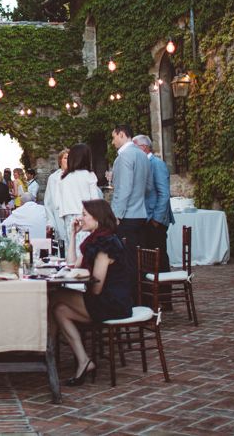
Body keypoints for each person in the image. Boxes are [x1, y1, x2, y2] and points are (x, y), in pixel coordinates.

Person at [52, 199, 132, 386]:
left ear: (98, 218)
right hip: (101, 299)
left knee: (54, 297)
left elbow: (96, 286)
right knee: (59, 310)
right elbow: (72, 264)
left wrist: (82, 273)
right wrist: (72, 235)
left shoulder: (106, 243)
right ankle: (83, 360)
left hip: (112, 302)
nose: (81, 218)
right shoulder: (94, 239)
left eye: (85, 215)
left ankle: (45, 351)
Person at [110, 124, 151, 295]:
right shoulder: (142, 156)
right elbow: (148, 186)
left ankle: (132, 300)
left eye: (113, 137)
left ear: (121, 134)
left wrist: (116, 215)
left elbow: (123, 189)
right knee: (138, 260)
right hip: (141, 214)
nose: (112, 142)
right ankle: (143, 298)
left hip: (127, 217)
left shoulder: (124, 156)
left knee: (127, 261)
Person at [133, 135, 174, 305]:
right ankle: (151, 297)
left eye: (134, 148)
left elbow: (164, 194)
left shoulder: (157, 164)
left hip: (155, 222)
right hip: (146, 220)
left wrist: (156, 220)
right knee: (149, 260)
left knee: (160, 260)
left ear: (143, 148)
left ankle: (165, 299)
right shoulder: (143, 165)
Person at [56, 144, 102, 254]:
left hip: (68, 218)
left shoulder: (63, 177)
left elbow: (57, 203)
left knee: (71, 249)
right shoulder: (89, 175)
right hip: (85, 217)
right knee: (85, 250)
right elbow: (95, 200)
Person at [44, 149, 69, 240]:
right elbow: (48, 201)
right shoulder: (53, 178)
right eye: (65, 158)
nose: (68, 160)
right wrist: (50, 222)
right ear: (60, 161)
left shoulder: (75, 176)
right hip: (58, 213)